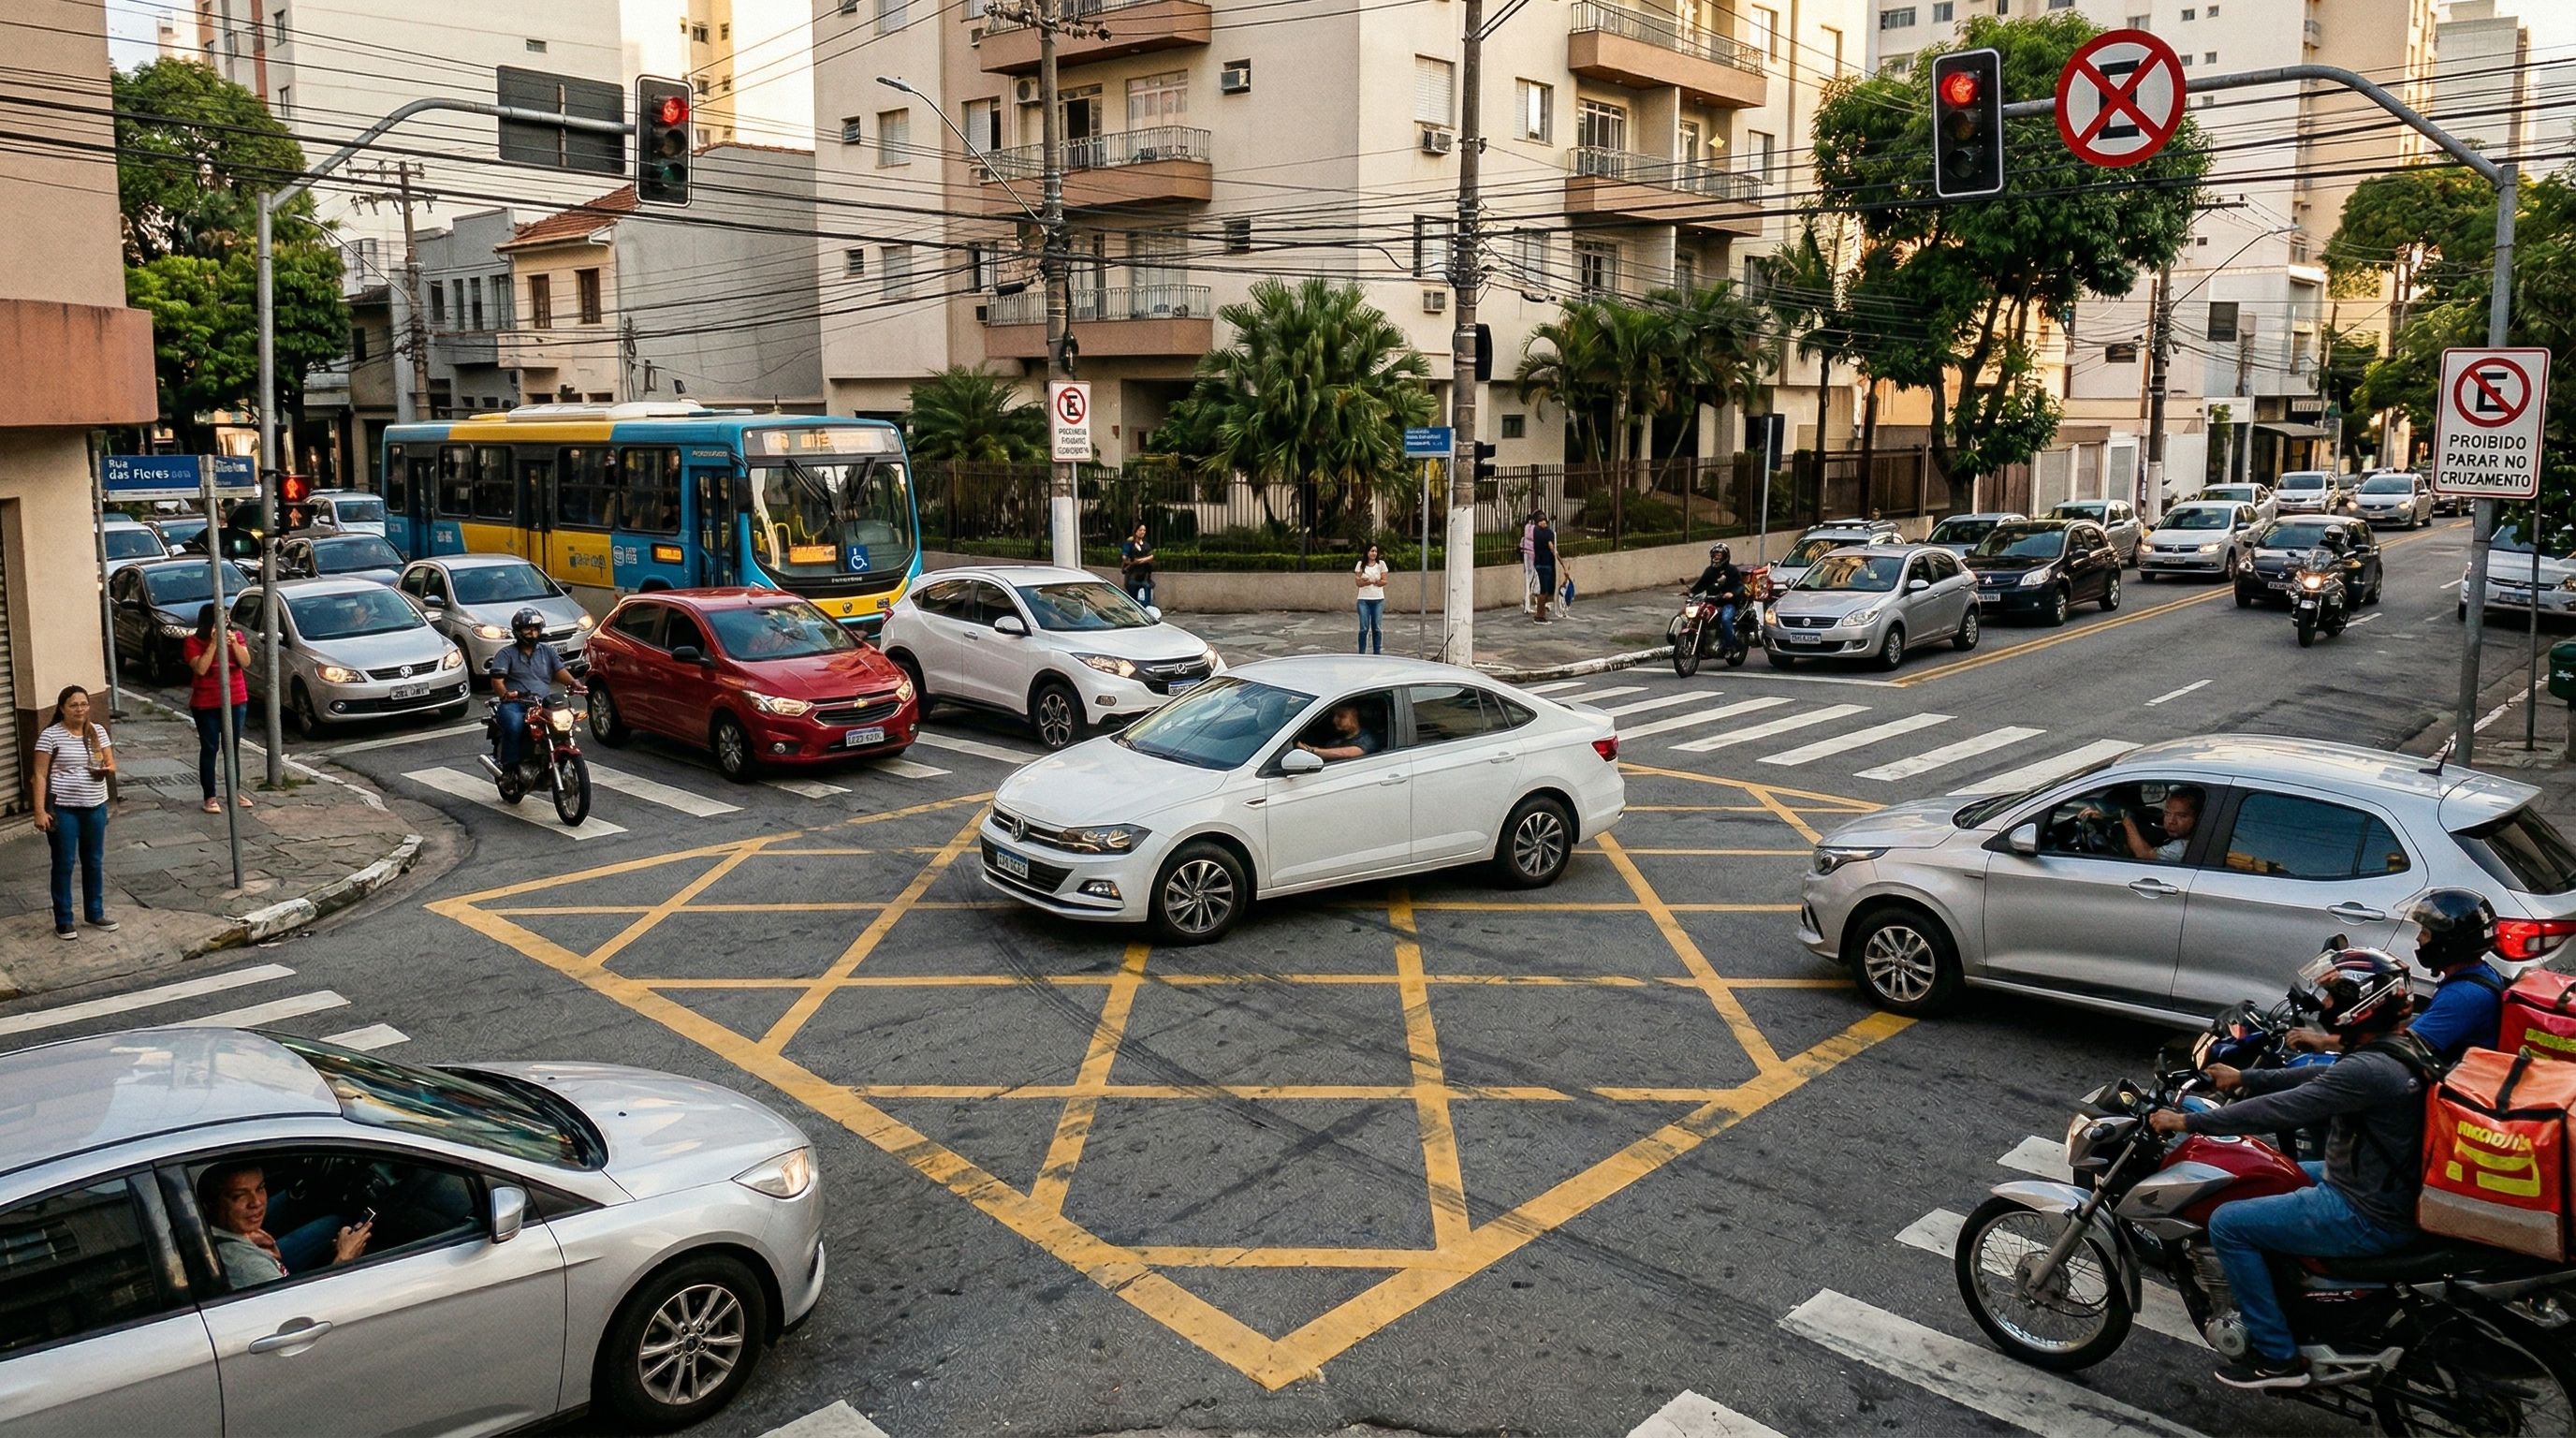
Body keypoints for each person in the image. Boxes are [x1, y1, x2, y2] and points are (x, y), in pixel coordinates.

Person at [2147, 948, 2435, 1388]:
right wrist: (2246, 1078)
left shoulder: (2370, 1068)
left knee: (2229, 1224)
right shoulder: (2396, 1047)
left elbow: (2281, 1110)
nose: (2325, 1006)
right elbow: (2319, 1076)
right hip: (2378, 1182)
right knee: (2276, 1169)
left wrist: (2189, 1122)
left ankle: (2277, 1355)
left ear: (2362, 1007)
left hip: (2366, 1210)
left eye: (2333, 997)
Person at [197, 1160, 370, 1290]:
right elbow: (301, 1312)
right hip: (281, 1282)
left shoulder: (207, 1226)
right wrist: (344, 1259)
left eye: (260, 1188)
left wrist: (244, 1236)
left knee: (330, 1222)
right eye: (239, 1196)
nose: (256, 1202)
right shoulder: (247, 1266)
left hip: (268, 1261)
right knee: (333, 1223)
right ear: (209, 1204)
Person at [31, 686, 116, 941]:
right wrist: (39, 811)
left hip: (95, 806)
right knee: (64, 863)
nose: (80, 709)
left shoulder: (97, 732)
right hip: (64, 809)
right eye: (73, 705)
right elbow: (39, 775)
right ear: (62, 708)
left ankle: (95, 911)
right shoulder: (50, 736)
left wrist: (105, 770)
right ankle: (64, 920)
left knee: (93, 860)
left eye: (83, 704)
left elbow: (111, 763)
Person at [487, 609, 576, 774]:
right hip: (516, 704)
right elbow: (497, 680)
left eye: (535, 629)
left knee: (566, 721)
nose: (532, 633)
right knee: (514, 725)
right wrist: (506, 695)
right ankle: (509, 767)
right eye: (528, 629)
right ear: (518, 632)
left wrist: (574, 683)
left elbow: (559, 671)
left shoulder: (547, 651)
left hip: (543, 703)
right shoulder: (506, 654)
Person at [185, 604, 254, 814]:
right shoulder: (192, 642)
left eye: (226, 621)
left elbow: (246, 662)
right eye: (218, 621)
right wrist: (214, 644)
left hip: (235, 698)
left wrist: (233, 644)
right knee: (210, 747)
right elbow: (201, 668)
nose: (224, 625)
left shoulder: (237, 636)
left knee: (231, 747)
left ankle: (234, 791)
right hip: (206, 702)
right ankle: (210, 796)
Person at [2086, 785, 2202, 862]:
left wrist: (2126, 820)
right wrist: (2106, 819)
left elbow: (2145, 855)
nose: (2171, 821)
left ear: (2199, 818)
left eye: (2181, 816)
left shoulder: (2182, 848)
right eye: (2167, 813)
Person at [1687, 542, 1749, 656]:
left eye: (1719, 554)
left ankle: (1730, 646)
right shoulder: (1709, 571)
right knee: (1694, 615)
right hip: (1711, 602)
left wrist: (1732, 593)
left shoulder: (1732, 570)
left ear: (1725, 556)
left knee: (1725, 620)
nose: (1716, 556)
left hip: (1728, 604)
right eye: (1714, 554)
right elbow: (1701, 584)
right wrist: (1690, 592)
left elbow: (1740, 586)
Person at [1296, 702, 1380, 762]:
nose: (1334, 720)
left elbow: (1349, 753)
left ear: (1355, 716)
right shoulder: (1334, 737)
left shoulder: (1367, 738)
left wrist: (1312, 751)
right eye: (1334, 716)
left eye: (1341, 716)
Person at [1354, 543, 1389, 654]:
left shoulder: (1381, 564)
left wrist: (1376, 581)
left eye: (1375, 551)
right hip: (1363, 600)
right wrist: (1367, 581)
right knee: (1364, 628)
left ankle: (1377, 653)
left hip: (1378, 600)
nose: (1374, 553)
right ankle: (1362, 653)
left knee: (1377, 628)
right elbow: (1358, 582)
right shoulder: (1360, 564)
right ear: (1367, 552)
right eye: (1371, 551)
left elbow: (1384, 581)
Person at [1530, 513, 1561, 624]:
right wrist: (1560, 560)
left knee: (1541, 590)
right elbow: (1551, 547)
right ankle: (1540, 616)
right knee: (1544, 591)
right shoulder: (1548, 533)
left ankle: (1540, 614)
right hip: (1546, 564)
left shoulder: (1534, 532)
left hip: (1537, 563)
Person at [1120, 524, 1157, 608]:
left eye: (1144, 530)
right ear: (1136, 531)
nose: (1142, 532)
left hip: (1145, 577)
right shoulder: (1129, 544)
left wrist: (1139, 561)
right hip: (1133, 576)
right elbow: (1125, 558)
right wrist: (1132, 561)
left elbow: (1151, 557)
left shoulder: (1146, 545)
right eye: (1140, 530)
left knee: (1147, 604)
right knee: (1133, 603)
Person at [1521, 511, 1541, 616]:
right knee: (1533, 578)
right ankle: (1529, 605)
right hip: (1532, 555)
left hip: (1526, 554)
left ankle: (1529, 604)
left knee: (1529, 579)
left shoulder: (1526, 527)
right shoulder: (1534, 530)